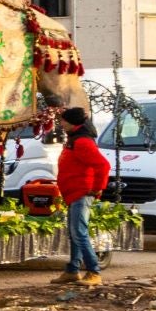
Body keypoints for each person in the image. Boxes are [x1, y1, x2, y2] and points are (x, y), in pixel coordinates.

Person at [55, 105, 111, 286]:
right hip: (74, 192)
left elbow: (103, 165)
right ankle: (72, 270)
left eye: (63, 120)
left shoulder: (82, 142)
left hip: (82, 192)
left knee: (79, 233)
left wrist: (97, 188)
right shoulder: (75, 139)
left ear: (71, 122)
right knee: (75, 234)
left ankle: (94, 272)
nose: (61, 124)